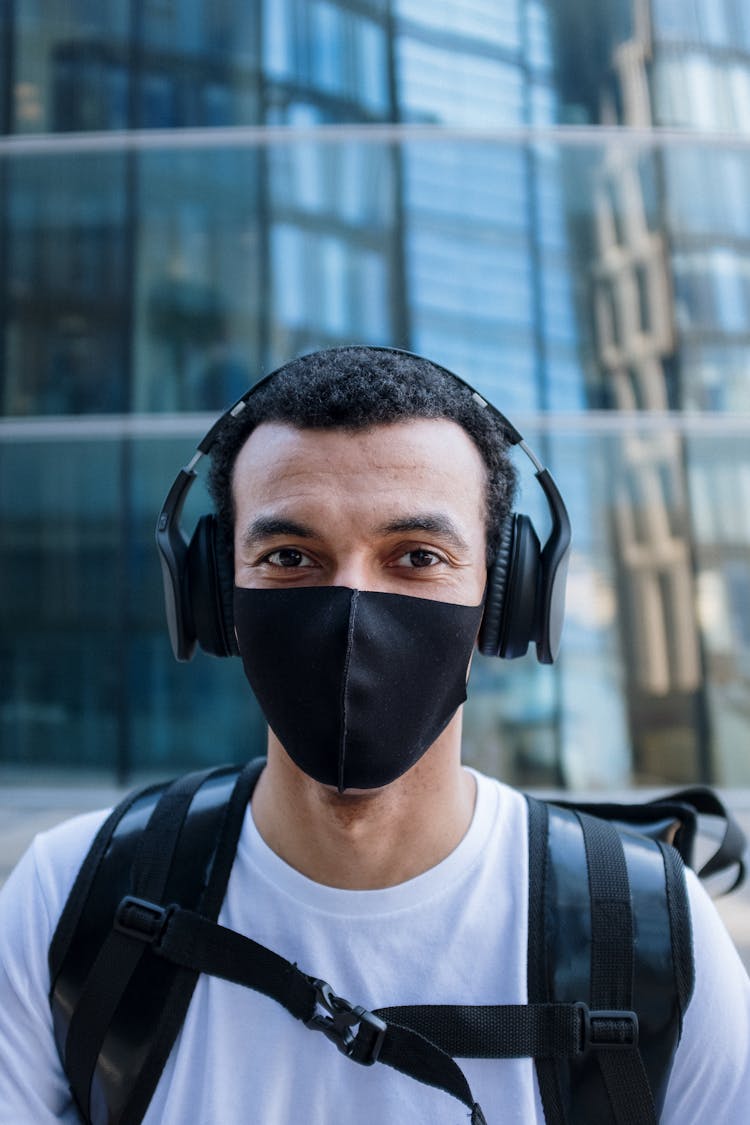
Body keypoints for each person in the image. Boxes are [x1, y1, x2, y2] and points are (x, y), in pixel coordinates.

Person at [0, 345, 748, 1124]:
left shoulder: (653, 930)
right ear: (215, 597)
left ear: (509, 600)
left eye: (417, 556)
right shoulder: (68, 897)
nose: (353, 610)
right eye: (290, 556)